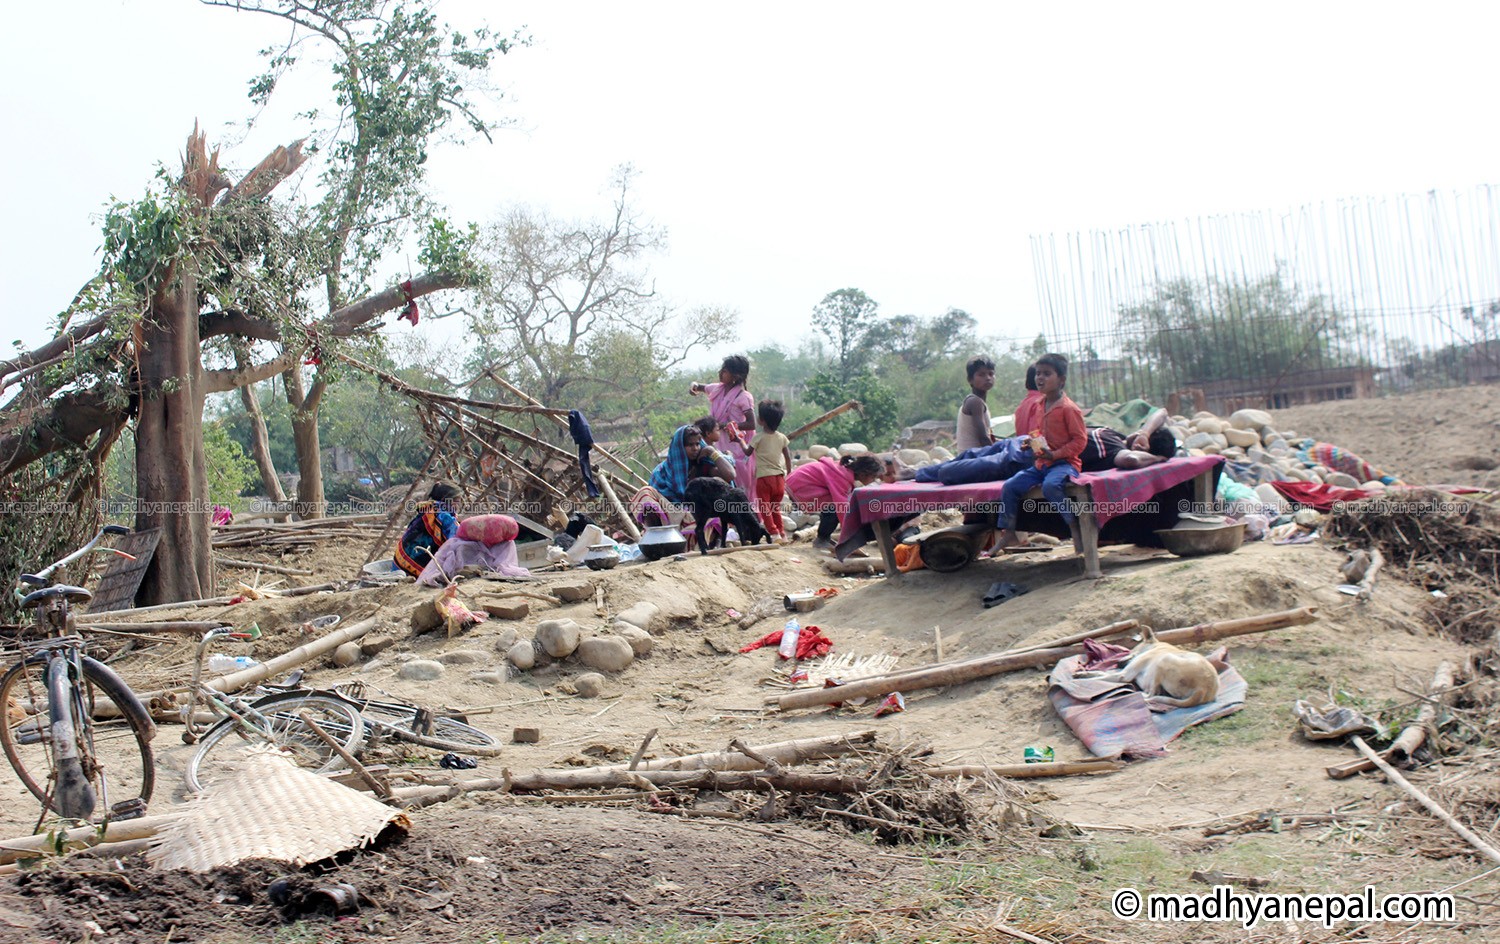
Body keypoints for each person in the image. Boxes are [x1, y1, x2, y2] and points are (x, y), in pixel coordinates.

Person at [996, 353, 1087, 552]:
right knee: (1010, 486)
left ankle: (1074, 526)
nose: (1040, 378)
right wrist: (1030, 443)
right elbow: (1038, 433)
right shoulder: (1038, 405)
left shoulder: (1069, 409)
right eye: (1038, 374)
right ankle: (1008, 532)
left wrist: (1055, 454)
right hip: (1041, 464)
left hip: (1065, 464)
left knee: (1051, 486)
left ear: (1061, 380)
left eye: (1047, 374)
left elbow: (1080, 441)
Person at [786, 454, 885, 551]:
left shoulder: (843, 471)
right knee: (836, 507)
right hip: (798, 488)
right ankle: (822, 539)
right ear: (864, 473)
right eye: (873, 477)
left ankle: (825, 537)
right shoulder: (841, 477)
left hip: (796, 483)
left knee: (839, 504)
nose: (874, 480)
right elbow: (842, 508)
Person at [689, 354, 756, 495]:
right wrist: (693, 387)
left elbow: (751, 423)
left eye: (725, 371)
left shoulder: (743, 397)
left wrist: (726, 425)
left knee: (739, 485)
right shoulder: (717, 389)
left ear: (736, 376)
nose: (720, 373)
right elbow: (698, 386)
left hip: (737, 447)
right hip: (719, 444)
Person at [394, 482, 461, 577]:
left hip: (400, 559)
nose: (459, 505)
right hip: (415, 566)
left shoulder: (428, 508)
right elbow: (457, 538)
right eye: (457, 501)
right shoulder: (444, 516)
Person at [1079, 410, 1177, 472]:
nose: (1139, 432)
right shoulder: (1114, 436)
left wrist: (1157, 458)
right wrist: (1145, 434)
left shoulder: (1114, 449)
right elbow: (1163, 412)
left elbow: (1131, 459)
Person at [751, 399, 793, 542]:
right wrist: (789, 474)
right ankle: (782, 534)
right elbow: (788, 457)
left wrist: (739, 440)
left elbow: (746, 452)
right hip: (779, 479)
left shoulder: (758, 438)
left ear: (762, 420)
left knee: (765, 508)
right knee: (775, 508)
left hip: (764, 478)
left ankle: (774, 534)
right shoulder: (782, 438)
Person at [955, 355, 998, 453]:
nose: (988, 378)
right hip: (971, 457)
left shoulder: (979, 402)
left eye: (991, 374)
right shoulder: (974, 402)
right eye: (981, 375)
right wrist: (998, 455)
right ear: (970, 380)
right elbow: (983, 438)